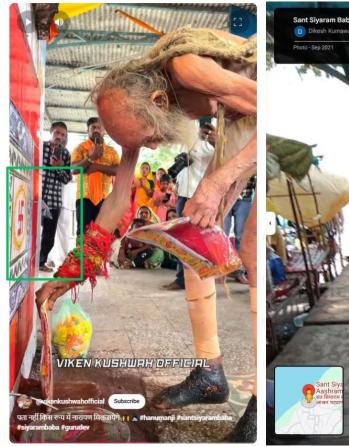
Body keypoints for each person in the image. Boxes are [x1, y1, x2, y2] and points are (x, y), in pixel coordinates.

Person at [35, 27, 257, 441]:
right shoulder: (138, 102)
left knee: (250, 247)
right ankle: (210, 373)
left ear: (159, 103)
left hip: (265, 104)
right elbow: (117, 200)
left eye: (145, 140)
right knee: (194, 240)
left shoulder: (187, 68)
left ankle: (266, 405)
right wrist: (66, 275)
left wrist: (216, 183)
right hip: (242, 115)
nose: (150, 150)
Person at [164, 122, 216, 291]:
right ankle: (182, 279)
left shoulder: (215, 135)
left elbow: (222, 158)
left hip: (200, 195)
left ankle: (202, 279)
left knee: (200, 238)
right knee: (182, 238)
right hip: (182, 194)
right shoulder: (186, 133)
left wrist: (215, 141)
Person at [70, 117, 120, 236]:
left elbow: (118, 170)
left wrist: (97, 167)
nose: (96, 129)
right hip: (84, 198)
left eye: (99, 127)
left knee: (101, 234)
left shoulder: (111, 151)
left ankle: (99, 255)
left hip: (104, 199)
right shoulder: (80, 148)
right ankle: (82, 255)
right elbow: (73, 169)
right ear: (88, 130)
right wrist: (91, 158)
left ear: (104, 131)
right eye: (93, 127)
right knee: (83, 233)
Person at [38, 122, 73, 272]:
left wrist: (58, 166)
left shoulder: (65, 154)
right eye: (57, 133)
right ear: (51, 132)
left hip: (54, 200)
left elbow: (66, 179)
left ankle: (41, 261)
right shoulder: (40, 147)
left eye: (63, 134)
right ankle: (28, 260)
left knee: (49, 235)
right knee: (30, 231)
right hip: (36, 197)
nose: (59, 136)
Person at [224, 175, 255, 284]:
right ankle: (222, 269)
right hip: (226, 195)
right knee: (222, 236)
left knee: (240, 237)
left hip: (245, 196)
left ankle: (239, 271)